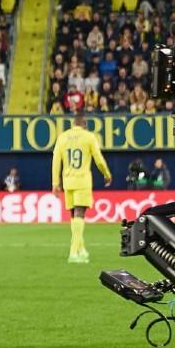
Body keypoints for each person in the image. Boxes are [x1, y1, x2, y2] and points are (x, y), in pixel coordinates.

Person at [51, 113, 111, 264]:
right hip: (82, 181)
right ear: (84, 125)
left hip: (67, 181)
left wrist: (55, 183)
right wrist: (106, 173)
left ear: (73, 124)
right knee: (80, 214)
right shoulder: (89, 137)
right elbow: (99, 159)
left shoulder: (62, 137)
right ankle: (73, 252)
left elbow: (56, 162)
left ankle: (81, 249)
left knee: (73, 216)